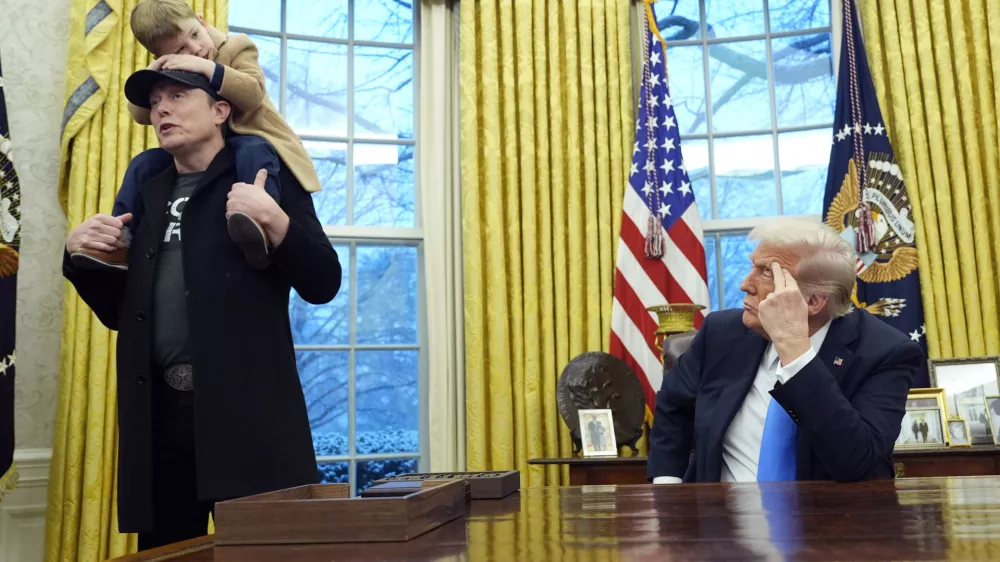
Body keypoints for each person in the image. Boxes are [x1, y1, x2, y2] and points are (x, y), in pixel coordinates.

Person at [63, 67, 341, 549]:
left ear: (220, 111)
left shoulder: (261, 177)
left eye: (176, 95)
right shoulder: (145, 192)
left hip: (251, 421)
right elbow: (121, 314)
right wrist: (76, 257)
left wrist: (277, 221)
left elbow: (323, 282)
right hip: (161, 423)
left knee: (268, 555)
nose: (161, 109)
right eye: (154, 102)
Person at [647, 219, 924, 484]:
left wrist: (794, 349)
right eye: (753, 267)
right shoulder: (722, 332)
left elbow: (855, 462)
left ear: (813, 301)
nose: (745, 284)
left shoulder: (886, 353)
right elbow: (673, 406)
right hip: (722, 518)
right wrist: (668, 490)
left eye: (766, 272)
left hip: (831, 522)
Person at [70, 0, 321, 271]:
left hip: (252, 136)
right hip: (210, 147)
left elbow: (253, 92)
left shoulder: (236, 47)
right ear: (162, 57)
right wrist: (155, 73)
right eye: (180, 49)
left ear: (202, 21)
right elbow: (141, 114)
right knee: (144, 163)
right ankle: (120, 240)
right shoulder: (170, 69)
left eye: (194, 34)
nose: (195, 49)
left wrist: (207, 68)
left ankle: (256, 224)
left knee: (253, 150)